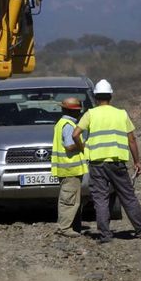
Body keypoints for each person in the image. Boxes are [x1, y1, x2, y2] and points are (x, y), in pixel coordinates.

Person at [71, 79, 141, 243]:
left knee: (100, 199)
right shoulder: (121, 114)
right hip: (117, 164)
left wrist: (83, 148)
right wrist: (137, 161)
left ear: (95, 97)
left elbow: (75, 135)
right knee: (128, 196)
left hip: (97, 164)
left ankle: (105, 235)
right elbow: (132, 140)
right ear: (111, 96)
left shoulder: (90, 114)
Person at [50, 96, 89, 236]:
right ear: (74, 111)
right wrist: (84, 145)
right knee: (68, 200)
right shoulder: (68, 125)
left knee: (71, 198)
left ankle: (71, 226)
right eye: (78, 110)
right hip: (70, 169)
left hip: (68, 169)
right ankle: (65, 228)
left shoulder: (63, 123)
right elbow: (69, 146)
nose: (80, 113)